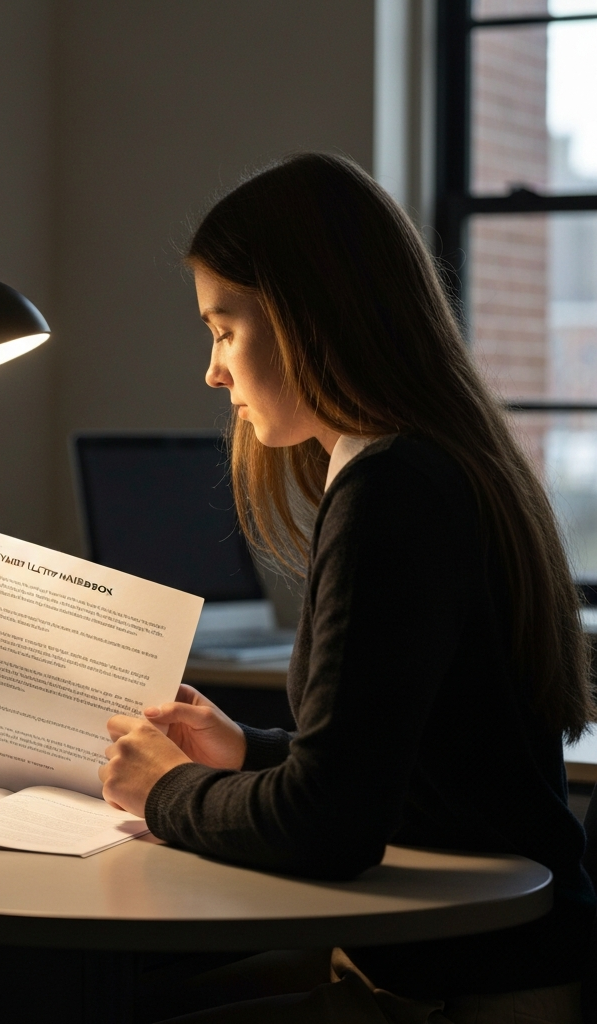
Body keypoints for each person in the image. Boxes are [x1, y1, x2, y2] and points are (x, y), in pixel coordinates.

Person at [98, 153, 596, 1023]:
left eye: (224, 329)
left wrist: (167, 790)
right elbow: (401, 769)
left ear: (304, 319)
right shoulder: (436, 463)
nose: (213, 372)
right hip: (498, 957)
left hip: (469, 988)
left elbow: (330, 825)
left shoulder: (389, 492)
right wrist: (247, 750)